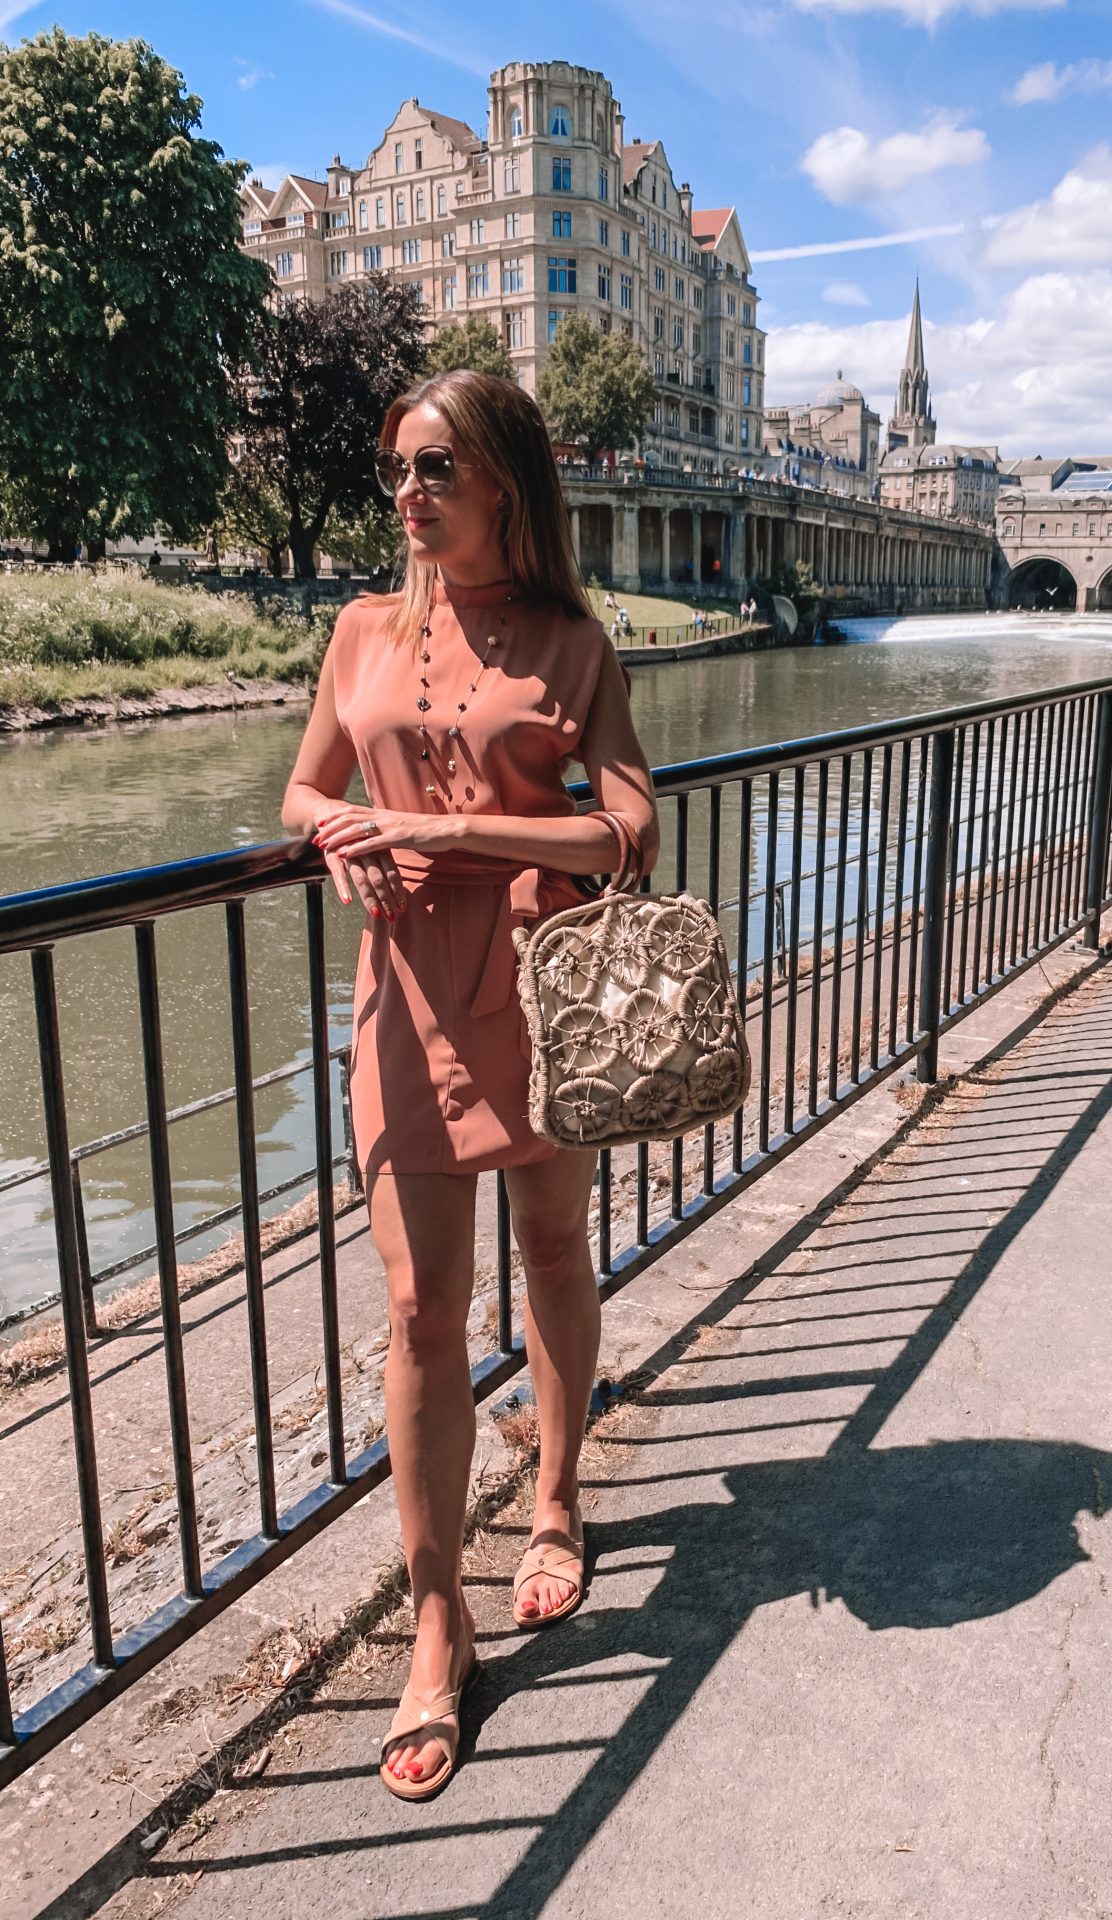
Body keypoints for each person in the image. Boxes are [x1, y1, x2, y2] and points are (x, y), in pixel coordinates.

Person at [282, 370, 658, 1801]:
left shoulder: (572, 643)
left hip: (541, 994)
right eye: (398, 468)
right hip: (401, 999)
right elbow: (305, 788)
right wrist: (338, 836)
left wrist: (485, 831)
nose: (408, 492)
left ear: (505, 477)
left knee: (554, 1248)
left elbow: (629, 826)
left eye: (435, 465)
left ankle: (555, 1502)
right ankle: (435, 1622)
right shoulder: (361, 629)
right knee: (420, 1310)